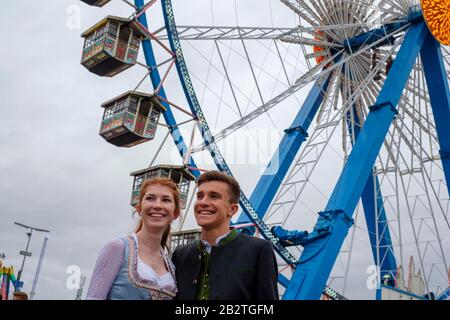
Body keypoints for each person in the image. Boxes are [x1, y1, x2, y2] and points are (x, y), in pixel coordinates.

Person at [172, 170, 279, 300]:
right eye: (200, 196)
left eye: (214, 196)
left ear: (232, 209)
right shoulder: (180, 255)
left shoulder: (259, 250)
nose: (203, 202)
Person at [86, 177, 180, 300]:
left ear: (175, 213)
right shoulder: (118, 248)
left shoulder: (171, 266)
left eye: (166, 200)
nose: (157, 205)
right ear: (139, 209)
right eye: (150, 198)